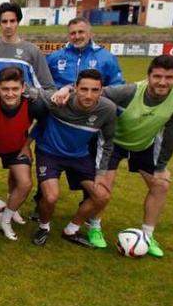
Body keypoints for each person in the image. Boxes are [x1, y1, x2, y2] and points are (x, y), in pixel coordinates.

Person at [52, 55, 173, 256]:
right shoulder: (130, 91)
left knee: (161, 185)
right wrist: (66, 89)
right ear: (148, 76)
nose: (162, 82)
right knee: (103, 187)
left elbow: (172, 136)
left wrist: (161, 167)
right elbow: (95, 90)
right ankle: (95, 227)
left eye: (169, 77)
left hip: (144, 144)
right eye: (157, 76)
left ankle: (147, 235)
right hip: (114, 142)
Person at [30, 69, 115, 248]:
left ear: (101, 91)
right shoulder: (58, 100)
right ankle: (44, 227)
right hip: (49, 153)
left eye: (94, 90)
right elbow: (31, 91)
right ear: (75, 88)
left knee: (102, 196)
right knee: (51, 197)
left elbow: (107, 142)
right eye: (84, 89)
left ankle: (71, 229)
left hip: (79, 156)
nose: (88, 95)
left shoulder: (107, 109)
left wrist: (101, 172)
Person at [0, 67, 49, 240]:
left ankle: (5, 220)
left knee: (25, 183)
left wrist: (27, 144)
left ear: (23, 88)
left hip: (15, 146)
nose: (10, 94)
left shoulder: (34, 104)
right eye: (5, 89)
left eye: (15, 89)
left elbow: (43, 123)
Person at [0, 2, 55, 90]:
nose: (8, 25)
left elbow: (49, 88)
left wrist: (29, 95)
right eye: (4, 22)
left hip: (24, 103)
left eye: (12, 21)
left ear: (18, 22)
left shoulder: (33, 51)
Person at [47, 17, 124, 88]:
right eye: (73, 33)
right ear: (68, 36)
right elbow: (43, 85)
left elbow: (117, 86)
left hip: (94, 101)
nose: (77, 37)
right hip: (62, 102)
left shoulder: (107, 58)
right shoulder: (54, 58)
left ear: (90, 34)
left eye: (81, 32)